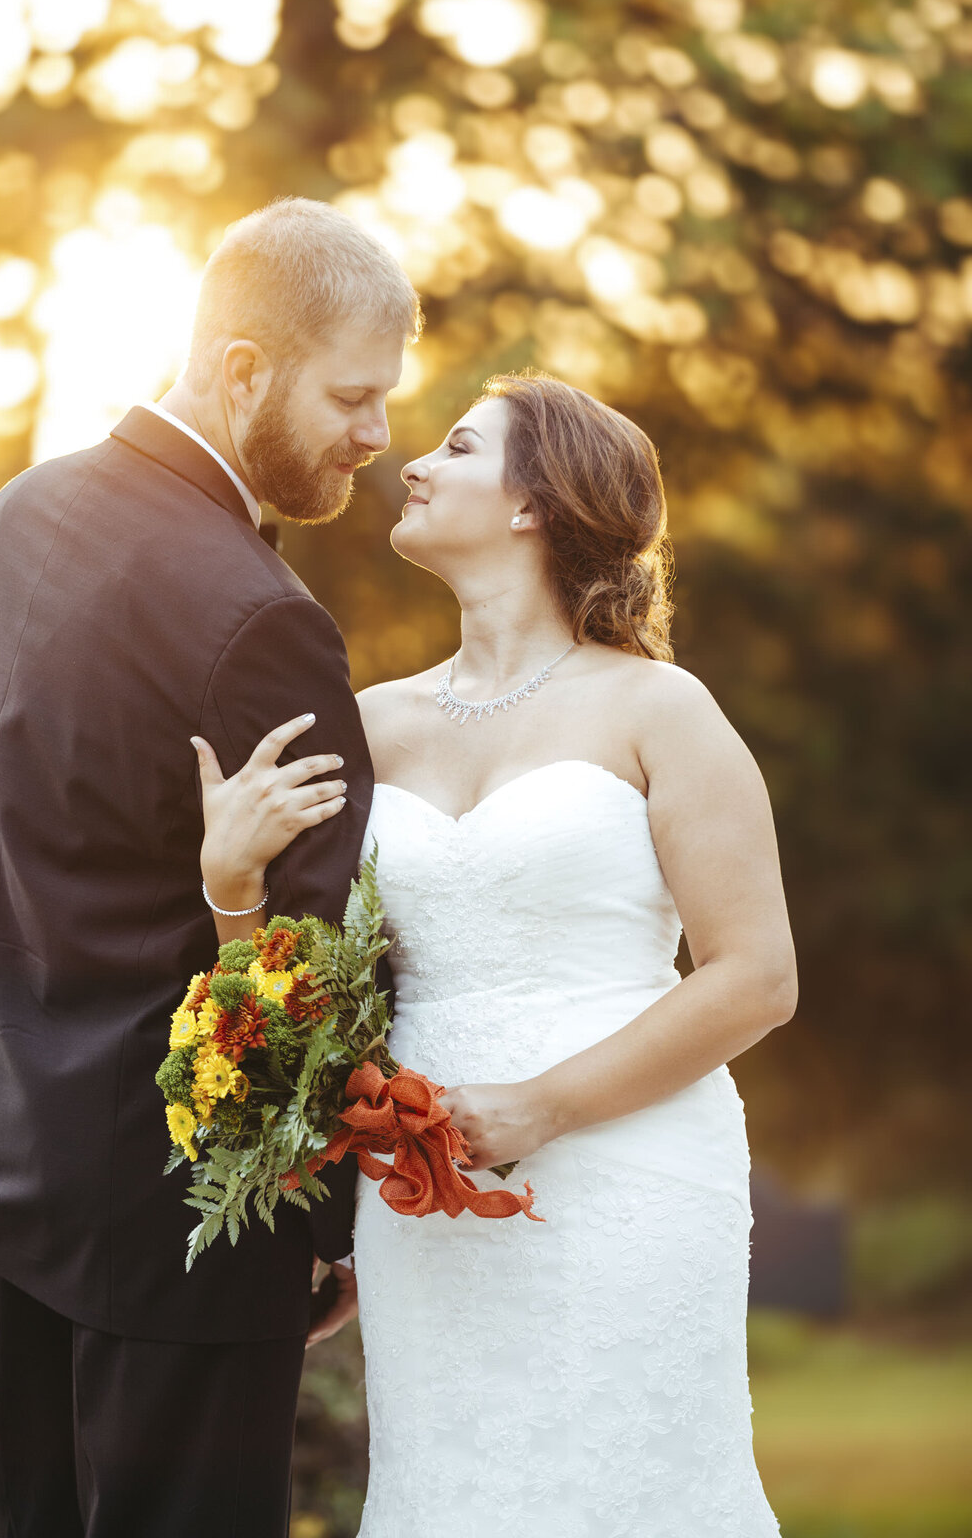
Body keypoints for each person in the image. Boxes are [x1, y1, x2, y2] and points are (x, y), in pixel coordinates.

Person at [194, 371, 797, 1536]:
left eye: (457, 446)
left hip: (629, 1175)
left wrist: (544, 1108)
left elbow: (757, 977)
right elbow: (314, 993)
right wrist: (231, 890)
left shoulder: (660, 710)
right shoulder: (367, 724)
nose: (410, 463)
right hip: (425, 1201)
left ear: (535, 503)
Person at [0, 196, 419, 1537]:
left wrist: (29, 1035)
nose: (378, 437)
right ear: (244, 369)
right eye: (354, 395)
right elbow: (303, 969)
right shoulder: (260, 616)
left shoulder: (12, 519)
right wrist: (318, 1223)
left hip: (20, 1176)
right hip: (186, 1237)